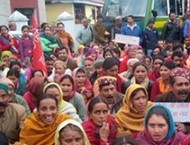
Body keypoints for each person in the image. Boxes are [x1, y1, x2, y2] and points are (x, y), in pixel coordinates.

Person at [155, 67, 190, 134]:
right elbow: (156, 122)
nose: (184, 88)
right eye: (179, 85)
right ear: (171, 86)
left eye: (187, 84)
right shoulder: (161, 100)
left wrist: (187, 128)